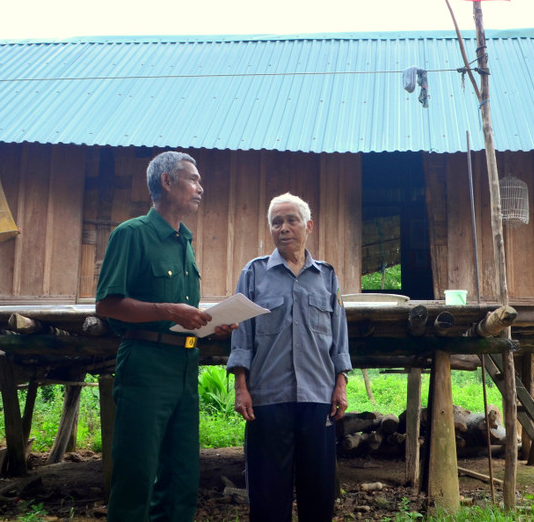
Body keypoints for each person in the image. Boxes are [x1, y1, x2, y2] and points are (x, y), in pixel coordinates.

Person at [95, 150, 235, 522]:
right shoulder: (131, 234)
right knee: (137, 474)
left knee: (181, 475)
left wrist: (210, 325)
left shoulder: (184, 242)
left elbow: (182, 315)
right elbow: (107, 305)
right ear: (167, 182)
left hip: (186, 364)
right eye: (193, 179)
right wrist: (168, 310)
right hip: (145, 365)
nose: (200, 188)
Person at [228, 192, 352, 522]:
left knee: (318, 488)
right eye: (276, 222)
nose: (283, 228)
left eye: (291, 220)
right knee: (268, 491)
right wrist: (241, 387)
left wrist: (341, 384)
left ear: (308, 226)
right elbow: (241, 335)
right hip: (267, 397)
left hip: (318, 395)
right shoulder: (253, 274)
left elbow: (339, 336)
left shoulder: (326, 276)